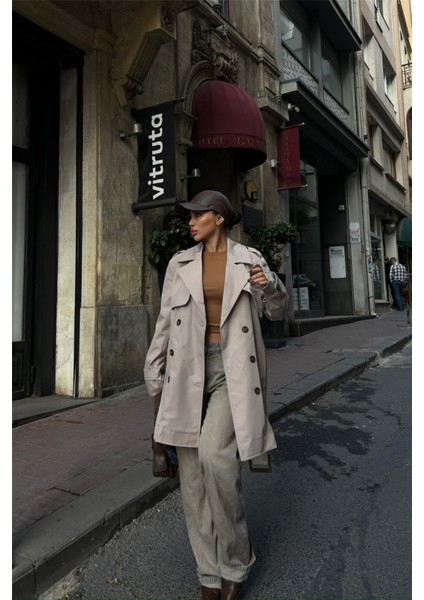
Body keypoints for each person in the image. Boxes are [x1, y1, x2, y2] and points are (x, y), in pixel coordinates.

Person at [144, 190, 288, 600]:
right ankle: (209, 573)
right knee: (191, 480)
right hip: (186, 371)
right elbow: (165, 322)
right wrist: (153, 372)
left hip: (231, 369)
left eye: (199, 215)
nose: (191, 222)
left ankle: (236, 561)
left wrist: (270, 285)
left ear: (219, 218)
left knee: (215, 456)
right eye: (189, 216)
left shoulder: (248, 259)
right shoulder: (180, 263)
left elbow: (277, 311)